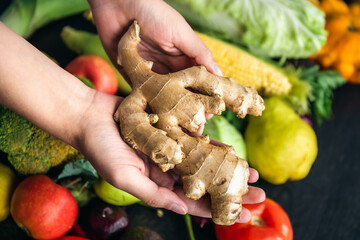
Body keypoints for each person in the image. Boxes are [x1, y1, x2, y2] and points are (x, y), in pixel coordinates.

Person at [0, 0, 265, 222]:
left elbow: (198, 80)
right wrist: (159, 145)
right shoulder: (136, 105)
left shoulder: (147, 98)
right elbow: (133, 124)